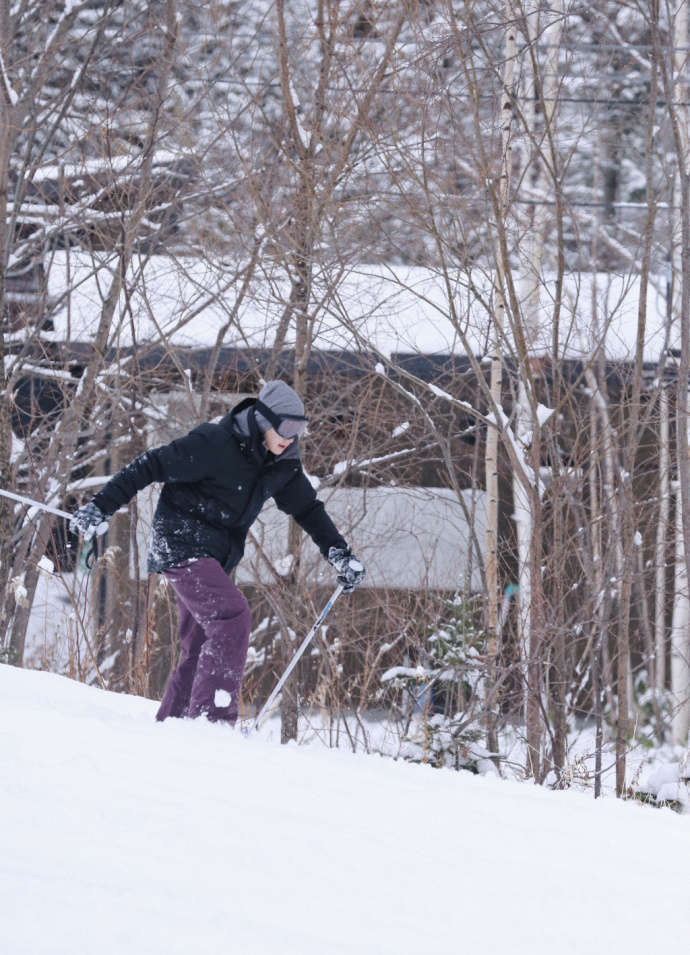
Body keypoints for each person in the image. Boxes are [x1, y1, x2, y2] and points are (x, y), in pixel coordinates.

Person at [70, 380, 365, 725]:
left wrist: (339, 554)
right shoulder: (214, 443)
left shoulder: (282, 463)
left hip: (215, 556)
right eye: (285, 427)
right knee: (231, 617)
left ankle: (174, 726)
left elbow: (308, 510)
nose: (291, 437)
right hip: (181, 541)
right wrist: (101, 507)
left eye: (299, 429)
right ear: (263, 420)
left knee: (198, 646)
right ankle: (212, 723)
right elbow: (151, 464)